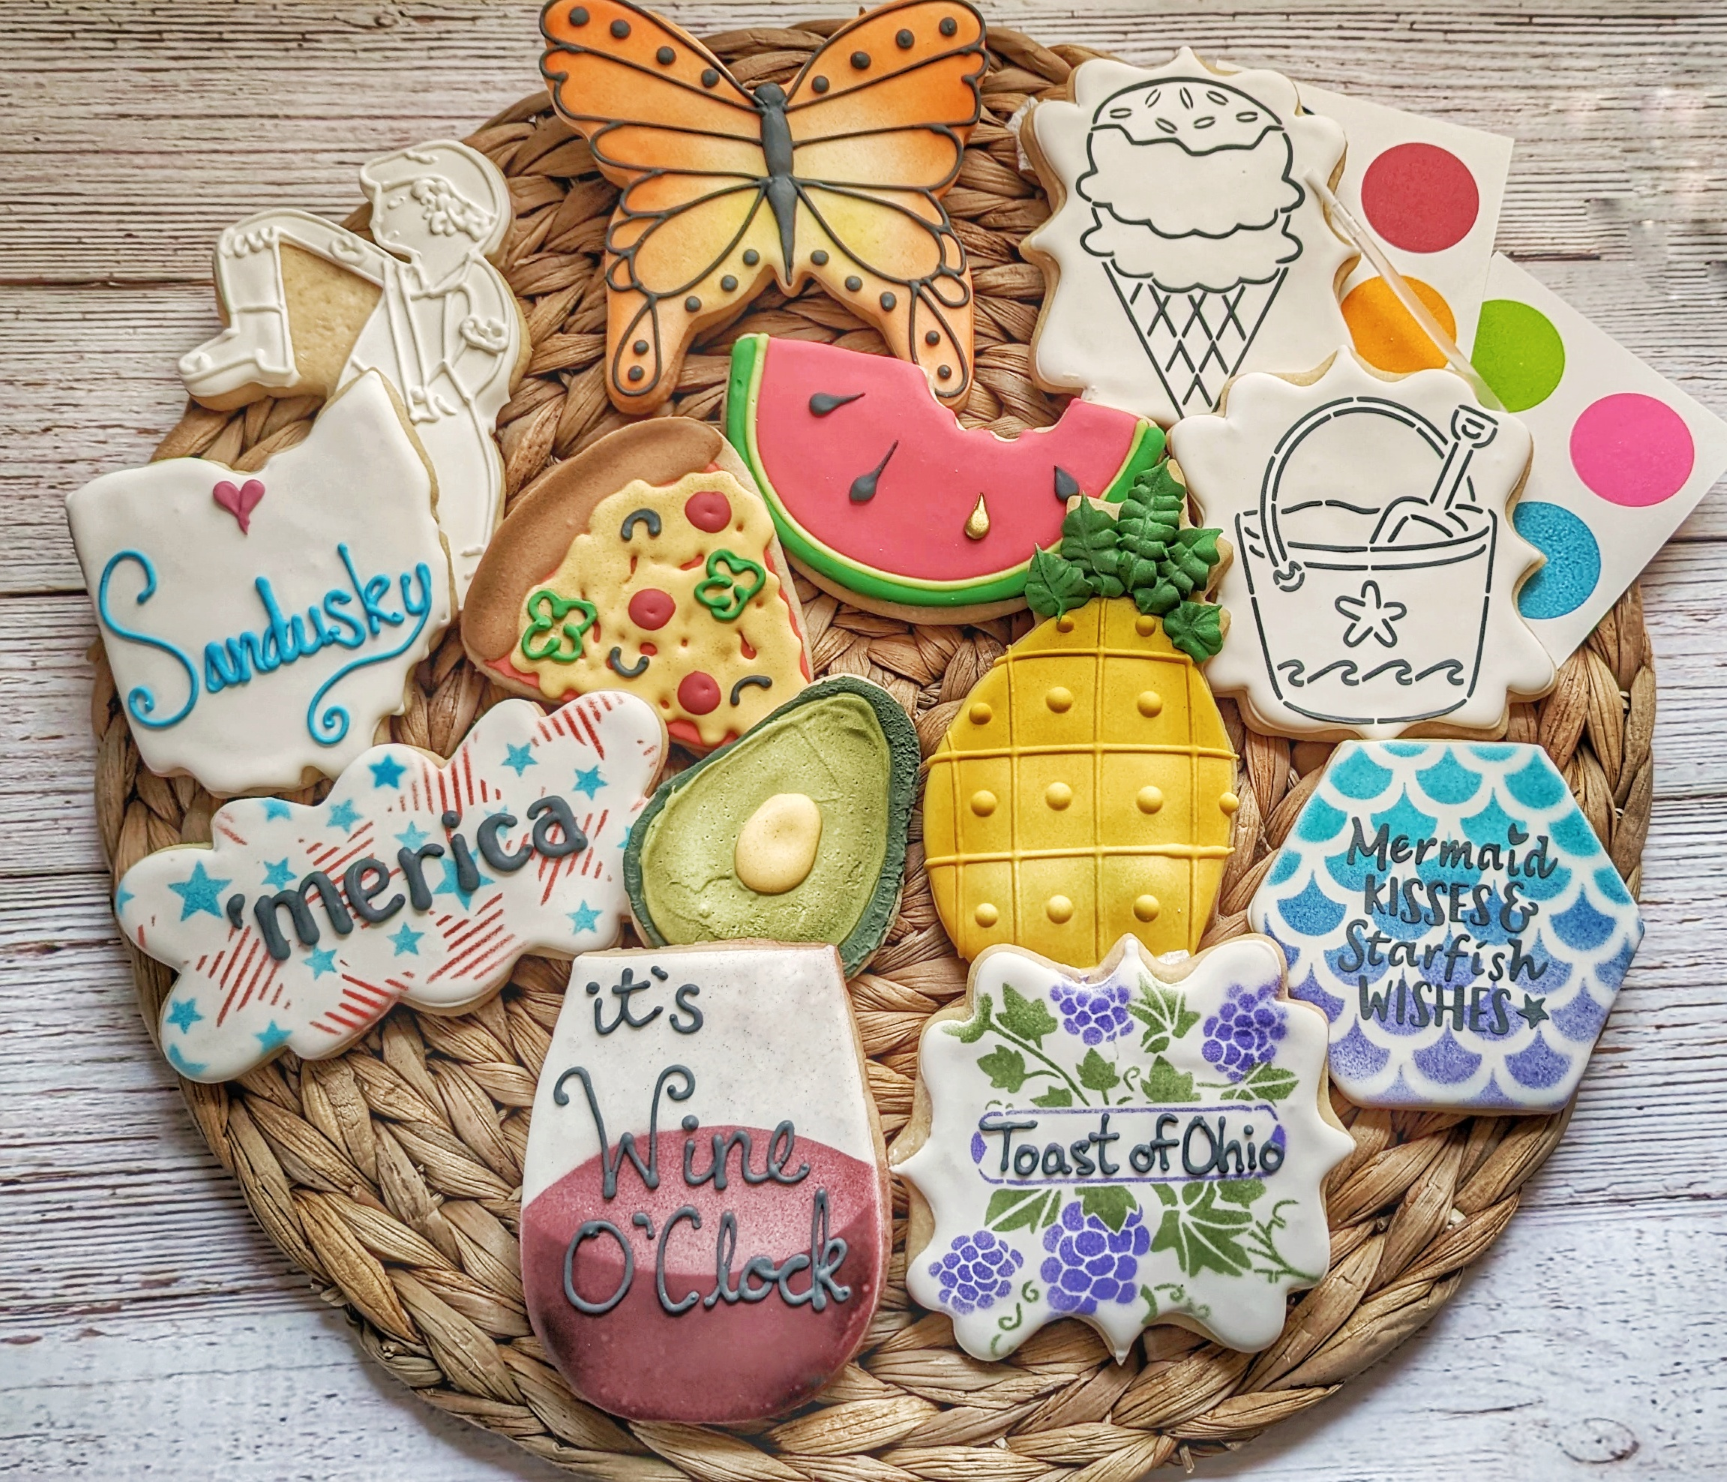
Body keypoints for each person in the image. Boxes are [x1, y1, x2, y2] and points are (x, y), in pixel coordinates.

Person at [180, 141, 522, 601]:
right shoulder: (397, 283)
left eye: (393, 202)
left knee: (452, 522)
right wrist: (272, 239)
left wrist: (443, 387)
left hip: (445, 431)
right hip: (379, 433)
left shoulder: (472, 285)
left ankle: (452, 588)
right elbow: (355, 309)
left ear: (440, 210)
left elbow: (488, 355)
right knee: (371, 516)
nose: (378, 215)